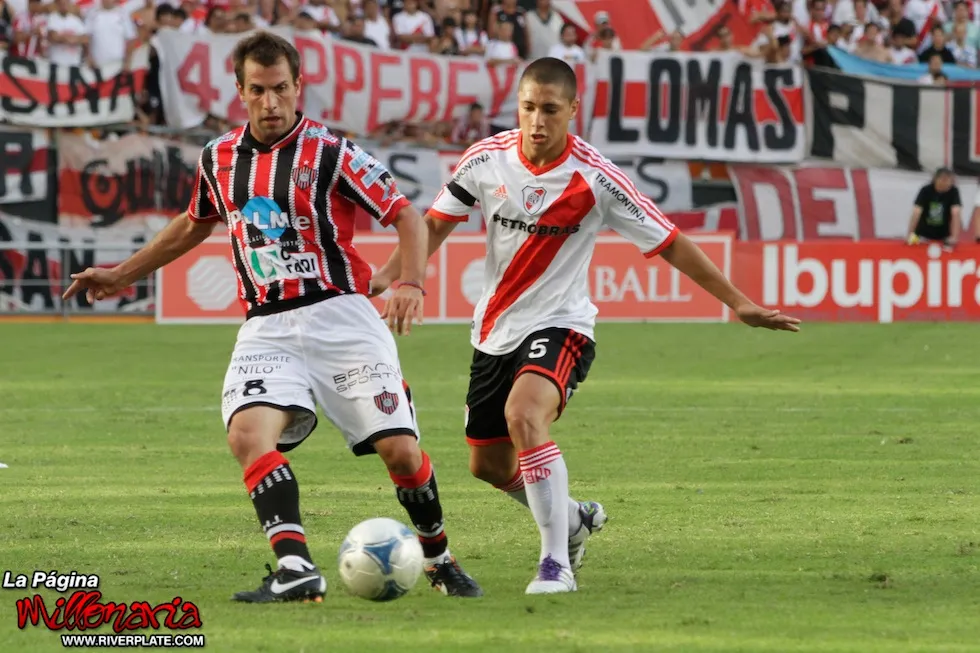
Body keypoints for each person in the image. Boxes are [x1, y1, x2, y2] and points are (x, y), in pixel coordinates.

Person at [63, 31, 482, 603]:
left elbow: (406, 216)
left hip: (342, 317)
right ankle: (296, 568)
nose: (270, 102)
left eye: (280, 88)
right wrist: (122, 274)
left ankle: (438, 557)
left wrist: (411, 282)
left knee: (401, 453)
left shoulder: (331, 152)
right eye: (257, 90)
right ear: (239, 91)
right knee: (247, 435)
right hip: (267, 326)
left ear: (298, 85)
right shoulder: (219, 158)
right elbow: (192, 224)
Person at [371, 57, 801, 595]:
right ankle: (572, 518)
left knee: (524, 415)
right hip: (494, 330)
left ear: (573, 110)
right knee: (486, 463)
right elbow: (434, 225)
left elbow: (672, 243)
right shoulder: (486, 159)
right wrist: (387, 278)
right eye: (528, 108)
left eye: (550, 110)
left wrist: (739, 303)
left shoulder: (596, 178)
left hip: (563, 325)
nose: (537, 121)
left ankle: (556, 564)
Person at [908, 167, 961, 250]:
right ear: (936, 179)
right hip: (923, 235)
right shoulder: (925, 190)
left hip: (944, 237)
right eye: (944, 180)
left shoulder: (953, 191)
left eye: (949, 181)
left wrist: (954, 237)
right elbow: (916, 212)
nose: (946, 184)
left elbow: (956, 213)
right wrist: (910, 234)